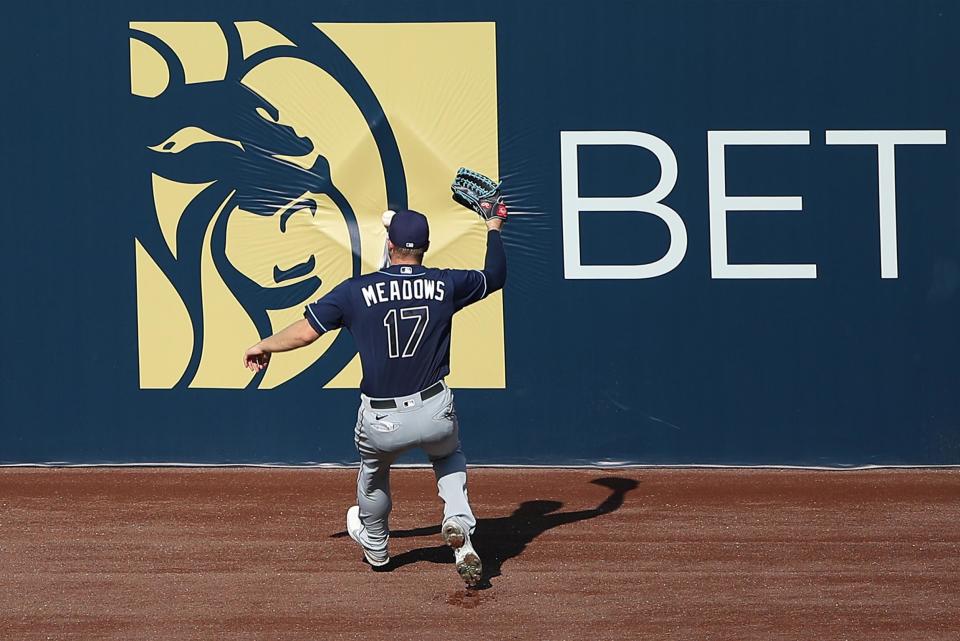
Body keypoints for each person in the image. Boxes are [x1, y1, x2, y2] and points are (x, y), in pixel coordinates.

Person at [242, 208, 506, 587]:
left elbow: (305, 332)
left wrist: (264, 344)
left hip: (382, 419)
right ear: (426, 247)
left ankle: (378, 547)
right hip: (433, 408)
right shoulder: (447, 284)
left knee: (374, 473)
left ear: (389, 244)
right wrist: (494, 226)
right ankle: (458, 522)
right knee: (448, 456)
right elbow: (495, 275)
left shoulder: (355, 291)